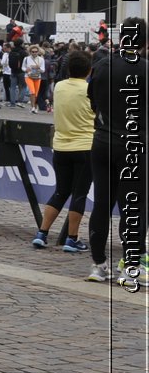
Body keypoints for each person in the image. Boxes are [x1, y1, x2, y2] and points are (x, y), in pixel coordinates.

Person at [85, 16, 147, 284]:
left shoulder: (100, 65)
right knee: (134, 207)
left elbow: (92, 104)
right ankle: (131, 268)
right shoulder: (145, 69)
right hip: (133, 143)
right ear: (144, 42)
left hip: (102, 141)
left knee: (101, 204)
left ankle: (98, 265)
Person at [30, 48, 95, 253]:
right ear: (89, 70)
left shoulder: (59, 86)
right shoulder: (89, 89)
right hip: (85, 146)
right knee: (79, 194)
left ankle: (42, 233)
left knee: (60, 191)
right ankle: (72, 238)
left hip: (60, 146)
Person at [22, 45, 45, 113]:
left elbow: (43, 70)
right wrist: (26, 70)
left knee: (36, 93)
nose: (34, 53)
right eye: (33, 51)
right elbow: (23, 68)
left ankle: (35, 106)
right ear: (30, 52)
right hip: (28, 76)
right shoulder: (26, 58)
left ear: (38, 52)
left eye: (36, 51)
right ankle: (33, 107)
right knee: (32, 91)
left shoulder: (41, 59)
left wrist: (38, 68)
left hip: (37, 77)